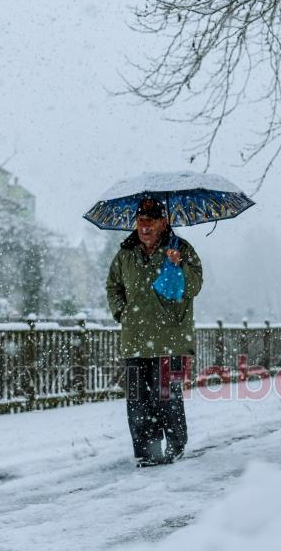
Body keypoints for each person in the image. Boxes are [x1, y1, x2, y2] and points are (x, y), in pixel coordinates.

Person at [106, 197, 203, 466]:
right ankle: (147, 451)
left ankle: (174, 446)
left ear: (164, 223)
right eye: (140, 222)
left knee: (166, 396)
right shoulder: (125, 254)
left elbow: (194, 286)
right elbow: (113, 286)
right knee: (138, 400)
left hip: (169, 337)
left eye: (150, 222)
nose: (144, 228)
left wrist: (179, 265)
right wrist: (122, 312)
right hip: (135, 337)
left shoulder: (180, 249)